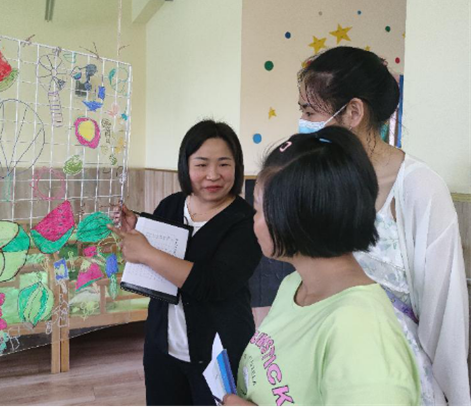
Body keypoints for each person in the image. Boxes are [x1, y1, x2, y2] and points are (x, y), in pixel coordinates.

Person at [296, 46, 469, 406]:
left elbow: (445, 310)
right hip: (326, 359)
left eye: (310, 112)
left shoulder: (419, 187)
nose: (303, 123)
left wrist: (453, 395)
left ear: (353, 112)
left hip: (393, 372)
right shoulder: (324, 177)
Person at [225, 126, 420, 406]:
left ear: (295, 216)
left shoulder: (362, 333)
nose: (253, 220)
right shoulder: (294, 285)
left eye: (258, 209)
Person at [110, 120, 262, 407]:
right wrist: (139, 228)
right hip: (162, 348)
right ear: (186, 166)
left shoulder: (246, 222)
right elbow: (157, 256)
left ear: (237, 166)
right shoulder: (171, 205)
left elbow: (212, 284)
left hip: (219, 356)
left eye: (224, 164)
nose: (213, 175)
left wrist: (146, 252)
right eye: (201, 164)